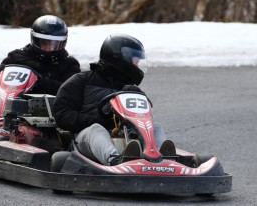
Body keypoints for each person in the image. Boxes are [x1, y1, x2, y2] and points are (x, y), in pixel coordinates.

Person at [52, 33, 175, 166]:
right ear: (120, 58)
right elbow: (61, 114)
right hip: (87, 138)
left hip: (125, 136)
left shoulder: (128, 88)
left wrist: (139, 96)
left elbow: (144, 116)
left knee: (155, 127)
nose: (137, 64)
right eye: (135, 60)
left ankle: (162, 161)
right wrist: (96, 120)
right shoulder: (81, 81)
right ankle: (115, 161)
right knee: (96, 129)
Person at [0, 15, 81, 96]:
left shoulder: (69, 64)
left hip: (46, 109)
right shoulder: (17, 56)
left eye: (54, 45)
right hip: (11, 101)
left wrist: (38, 82)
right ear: (35, 40)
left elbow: (71, 91)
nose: (49, 49)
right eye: (45, 43)